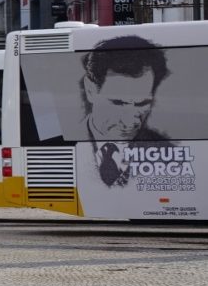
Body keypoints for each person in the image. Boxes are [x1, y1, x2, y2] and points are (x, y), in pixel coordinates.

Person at [73, 34, 172, 187]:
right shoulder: (62, 140)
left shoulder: (167, 152)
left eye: (142, 104)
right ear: (90, 90)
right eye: (118, 103)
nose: (129, 122)